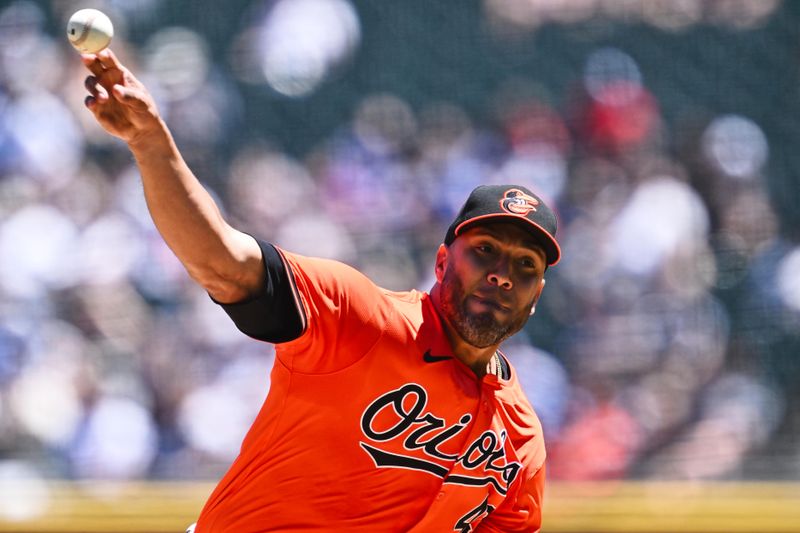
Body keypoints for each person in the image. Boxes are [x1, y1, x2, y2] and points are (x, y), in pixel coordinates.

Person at [81, 49, 561, 533]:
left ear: (536, 294)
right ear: (441, 262)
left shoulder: (521, 439)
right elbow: (222, 263)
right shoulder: (359, 318)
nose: (502, 273)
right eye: (485, 250)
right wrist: (148, 141)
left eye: (524, 265)